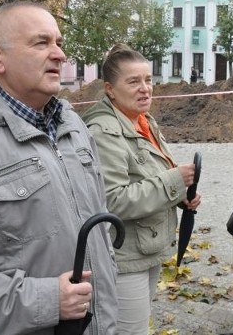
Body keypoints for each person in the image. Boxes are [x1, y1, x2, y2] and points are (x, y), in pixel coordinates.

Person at [0, 2, 118, 334]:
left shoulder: (73, 125)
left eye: (58, 42)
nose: (59, 54)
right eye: (41, 43)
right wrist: (45, 300)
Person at [82, 44, 202, 335]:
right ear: (110, 89)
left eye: (148, 80)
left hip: (144, 249)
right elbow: (113, 201)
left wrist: (181, 198)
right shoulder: (104, 131)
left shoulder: (143, 122)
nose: (145, 88)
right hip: (123, 256)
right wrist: (175, 182)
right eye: (133, 82)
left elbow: (150, 176)